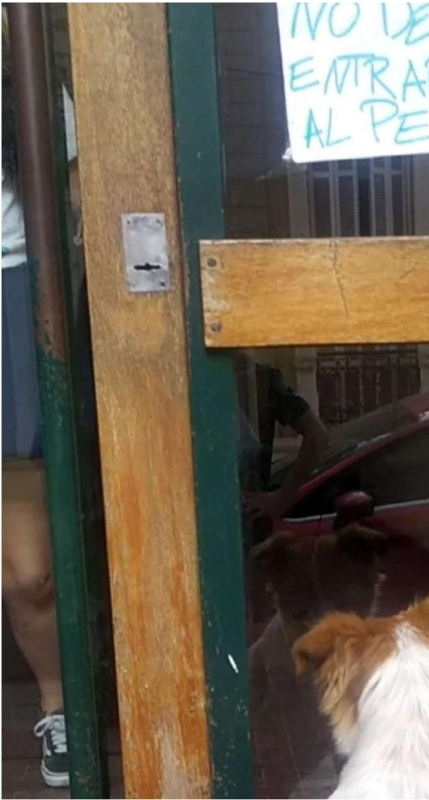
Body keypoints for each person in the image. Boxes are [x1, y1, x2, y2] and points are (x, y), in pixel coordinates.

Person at [1, 10, 77, 788]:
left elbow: (89, 193)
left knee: (30, 573)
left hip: (18, 291)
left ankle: (55, 706)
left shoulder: (21, 68)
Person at [234, 352, 330, 545]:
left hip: (242, 523)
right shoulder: (261, 379)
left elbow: (318, 436)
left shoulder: (261, 381)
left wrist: (282, 497)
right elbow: (318, 436)